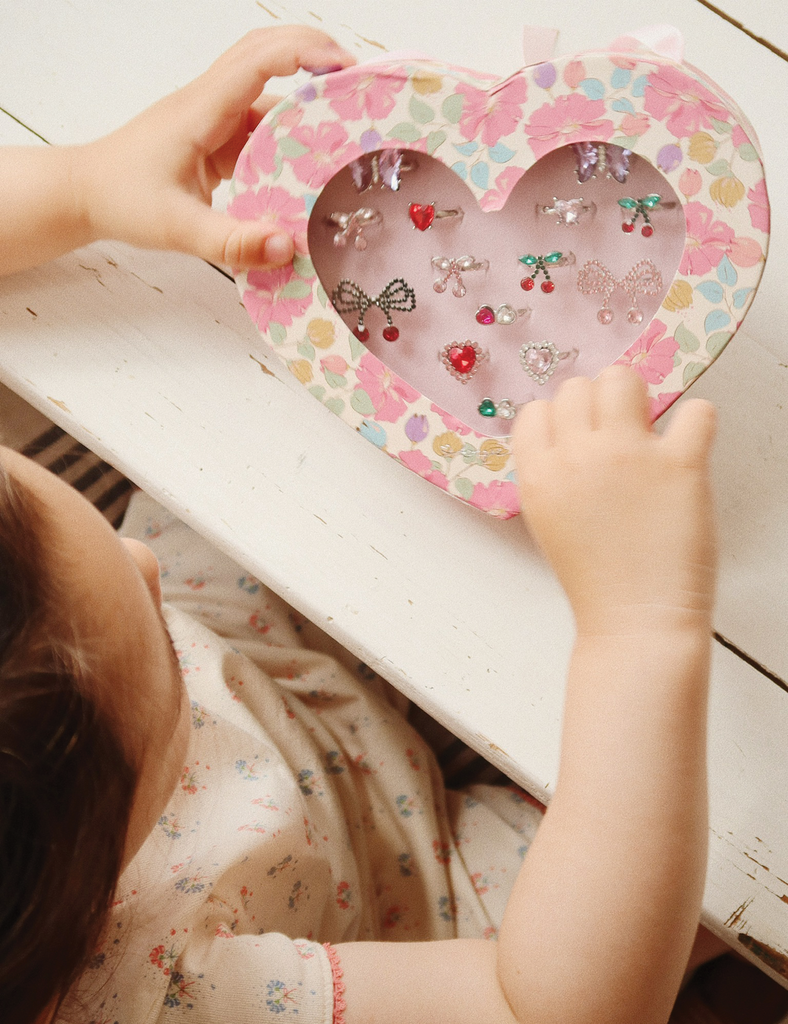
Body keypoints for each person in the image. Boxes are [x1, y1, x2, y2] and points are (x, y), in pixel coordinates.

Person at [0, 24, 727, 1024]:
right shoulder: (161, 998)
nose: (138, 564)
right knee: (713, 851)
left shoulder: (133, 618)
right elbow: (544, 1007)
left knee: (248, 446)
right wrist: (640, 630)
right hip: (392, 869)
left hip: (241, 640)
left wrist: (85, 184)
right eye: (131, 618)